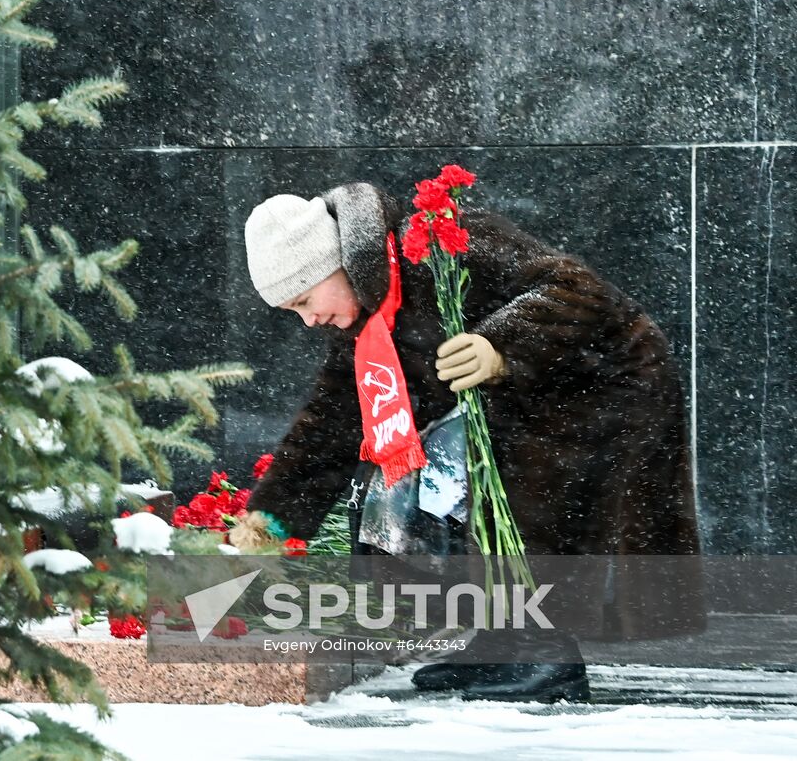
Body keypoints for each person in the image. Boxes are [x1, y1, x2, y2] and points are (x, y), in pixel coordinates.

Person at [231, 181, 705, 702]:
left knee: (520, 483)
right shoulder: (364, 326)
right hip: (516, 404)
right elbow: (329, 426)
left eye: (305, 300)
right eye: (293, 311)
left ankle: (546, 651)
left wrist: (499, 346)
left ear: (337, 266)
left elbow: (581, 292)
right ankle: (501, 640)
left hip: (599, 384)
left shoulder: (444, 241)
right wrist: (271, 518)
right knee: (423, 491)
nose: (308, 319)